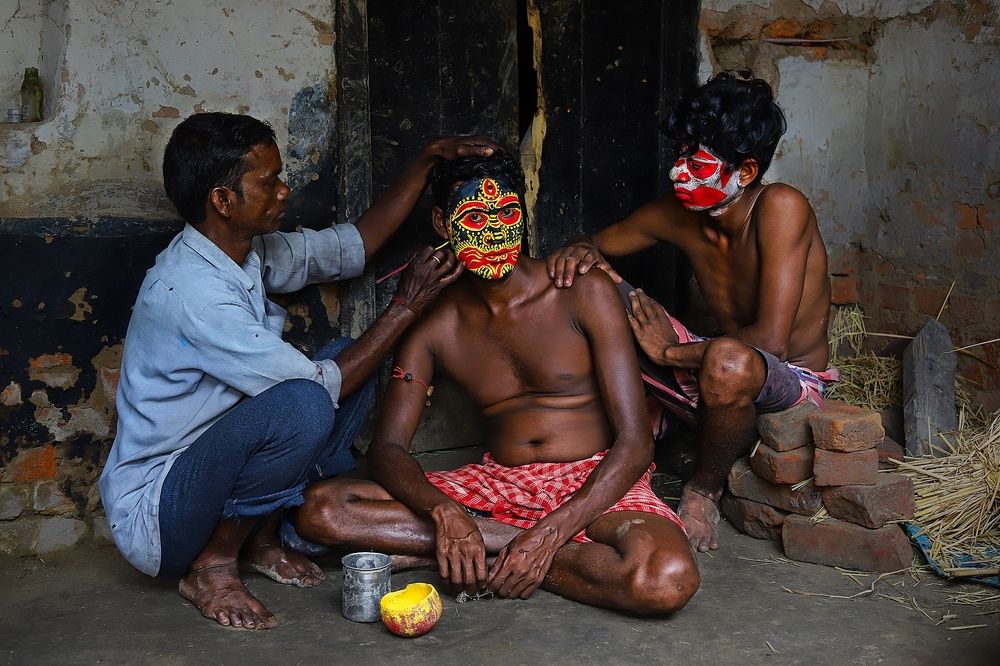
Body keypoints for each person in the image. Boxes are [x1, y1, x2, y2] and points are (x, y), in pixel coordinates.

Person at [98, 112, 499, 630]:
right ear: (222, 200)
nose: (284, 191)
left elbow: (351, 246)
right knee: (306, 400)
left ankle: (260, 537)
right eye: (268, 182)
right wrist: (406, 305)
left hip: (213, 465)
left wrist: (424, 164)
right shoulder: (193, 293)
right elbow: (312, 390)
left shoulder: (243, 252)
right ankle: (212, 565)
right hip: (163, 510)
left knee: (346, 353)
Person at [296, 152, 700, 615]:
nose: (491, 232)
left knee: (665, 581)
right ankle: (504, 548)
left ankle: (491, 552)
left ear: (522, 213)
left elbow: (635, 442)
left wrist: (551, 532)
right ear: (442, 223)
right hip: (497, 486)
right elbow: (388, 450)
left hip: (592, 479)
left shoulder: (582, 291)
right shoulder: (434, 327)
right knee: (321, 509)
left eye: (505, 212)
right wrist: (445, 514)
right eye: (472, 216)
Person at [546, 72, 837, 553]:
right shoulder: (678, 214)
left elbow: (770, 342)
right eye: (679, 154)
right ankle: (598, 451)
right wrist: (576, 256)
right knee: (590, 283)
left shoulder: (781, 207)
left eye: (695, 159)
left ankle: (704, 488)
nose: (677, 171)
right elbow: (590, 244)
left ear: (744, 172)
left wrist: (670, 350)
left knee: (728, 361)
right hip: (710, 367)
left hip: (786, 379)